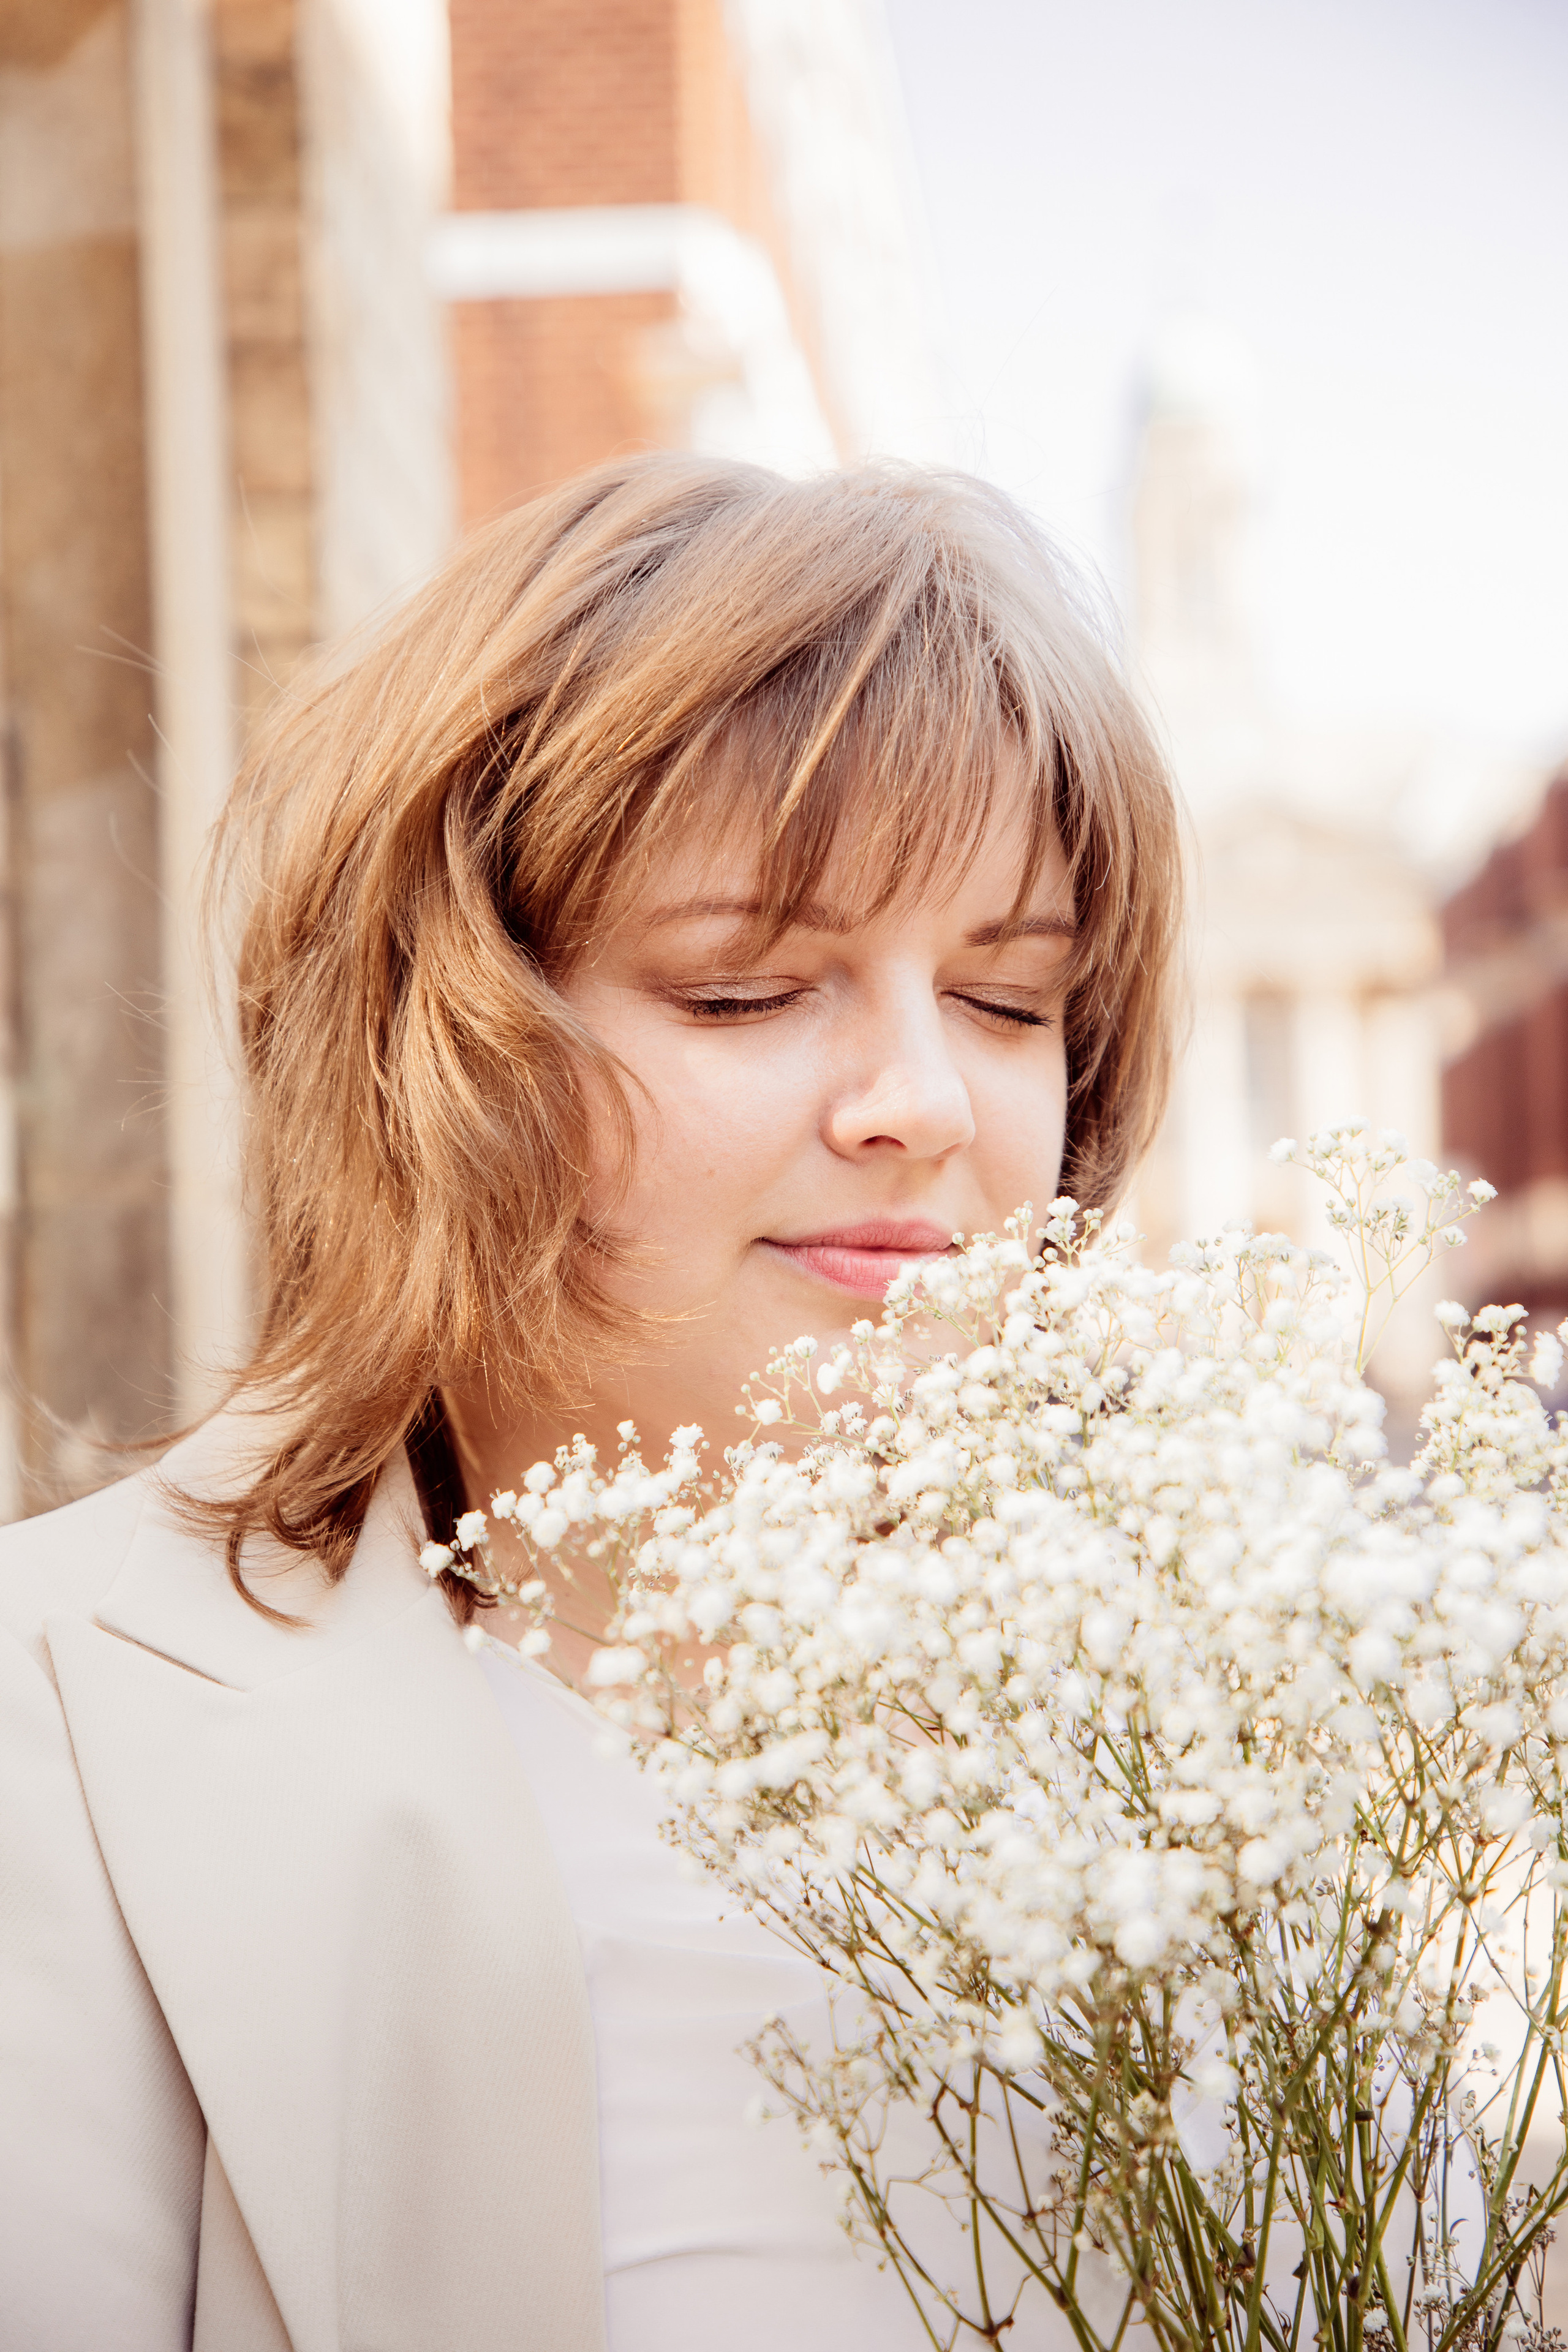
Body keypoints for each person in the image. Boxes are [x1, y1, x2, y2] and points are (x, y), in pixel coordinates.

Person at [0, 455, 1183, 2350]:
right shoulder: (57, 1714)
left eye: (1010, 1000)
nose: (925, 1102)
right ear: (444, 1051)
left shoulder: (1218, 1727)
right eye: (743, 990)